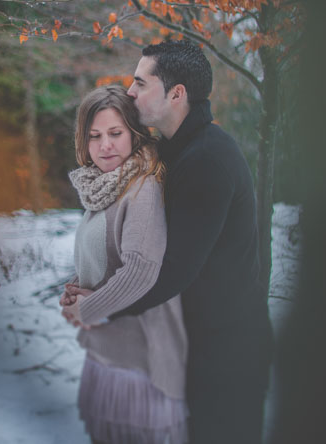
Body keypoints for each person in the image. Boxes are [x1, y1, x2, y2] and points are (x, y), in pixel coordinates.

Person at [66, 41, 274, 443]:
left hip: (227, 356)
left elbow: (170, 272)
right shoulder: (171, 151)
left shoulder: (207, 160)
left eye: (141, 83)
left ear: (176, 93)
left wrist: (94, 306)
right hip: (192, 347)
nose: (130, 91)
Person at [59, 85, 188, 444]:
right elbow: (104, 258)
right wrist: (75, 289)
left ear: (134, 134)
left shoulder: (142, 189)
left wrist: (87, 309)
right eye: (94, 136)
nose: (105, 146)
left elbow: (139, 270)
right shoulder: (104, 187)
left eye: (115, 134)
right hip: (106, 352)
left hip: (139, 362)